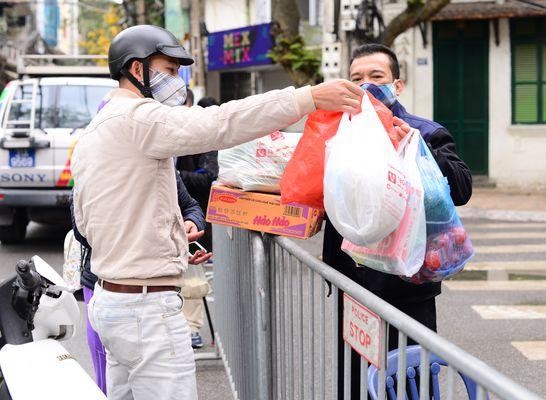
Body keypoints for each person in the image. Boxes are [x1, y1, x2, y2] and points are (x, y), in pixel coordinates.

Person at [72, 24, 362, 400]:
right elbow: (220, 123)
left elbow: (89, 220)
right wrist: (307, 97)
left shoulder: (97, 128)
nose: (176, 81)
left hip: (114, 302)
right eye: (169, 70)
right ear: (137, 69)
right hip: (146, 311)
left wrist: (170, 240)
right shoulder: (138, 118)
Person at [321, 43, 472, 399]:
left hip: (407, 283)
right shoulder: (341, 133)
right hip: (354, 283)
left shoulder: (423, 131)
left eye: (377, 77)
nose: (367, 86)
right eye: (357, 78)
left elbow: (462, 188)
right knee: (357, 379)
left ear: (397, 85)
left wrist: (421, 151)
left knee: (408, 381)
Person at [71, 171, 205, 394]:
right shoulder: (95, 159)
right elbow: (81, 229)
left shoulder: (161, 163)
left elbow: (191, 206)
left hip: (148, 295)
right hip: (103, 287)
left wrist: (188, 226)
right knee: (104, 382)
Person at [177, 89, 218, 349]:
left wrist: (172, 174)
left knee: (192, 279)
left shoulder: (203, 140)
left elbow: (208, 178)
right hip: (162, 226)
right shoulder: (155, 139)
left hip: (194, 221)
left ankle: (191, 329)